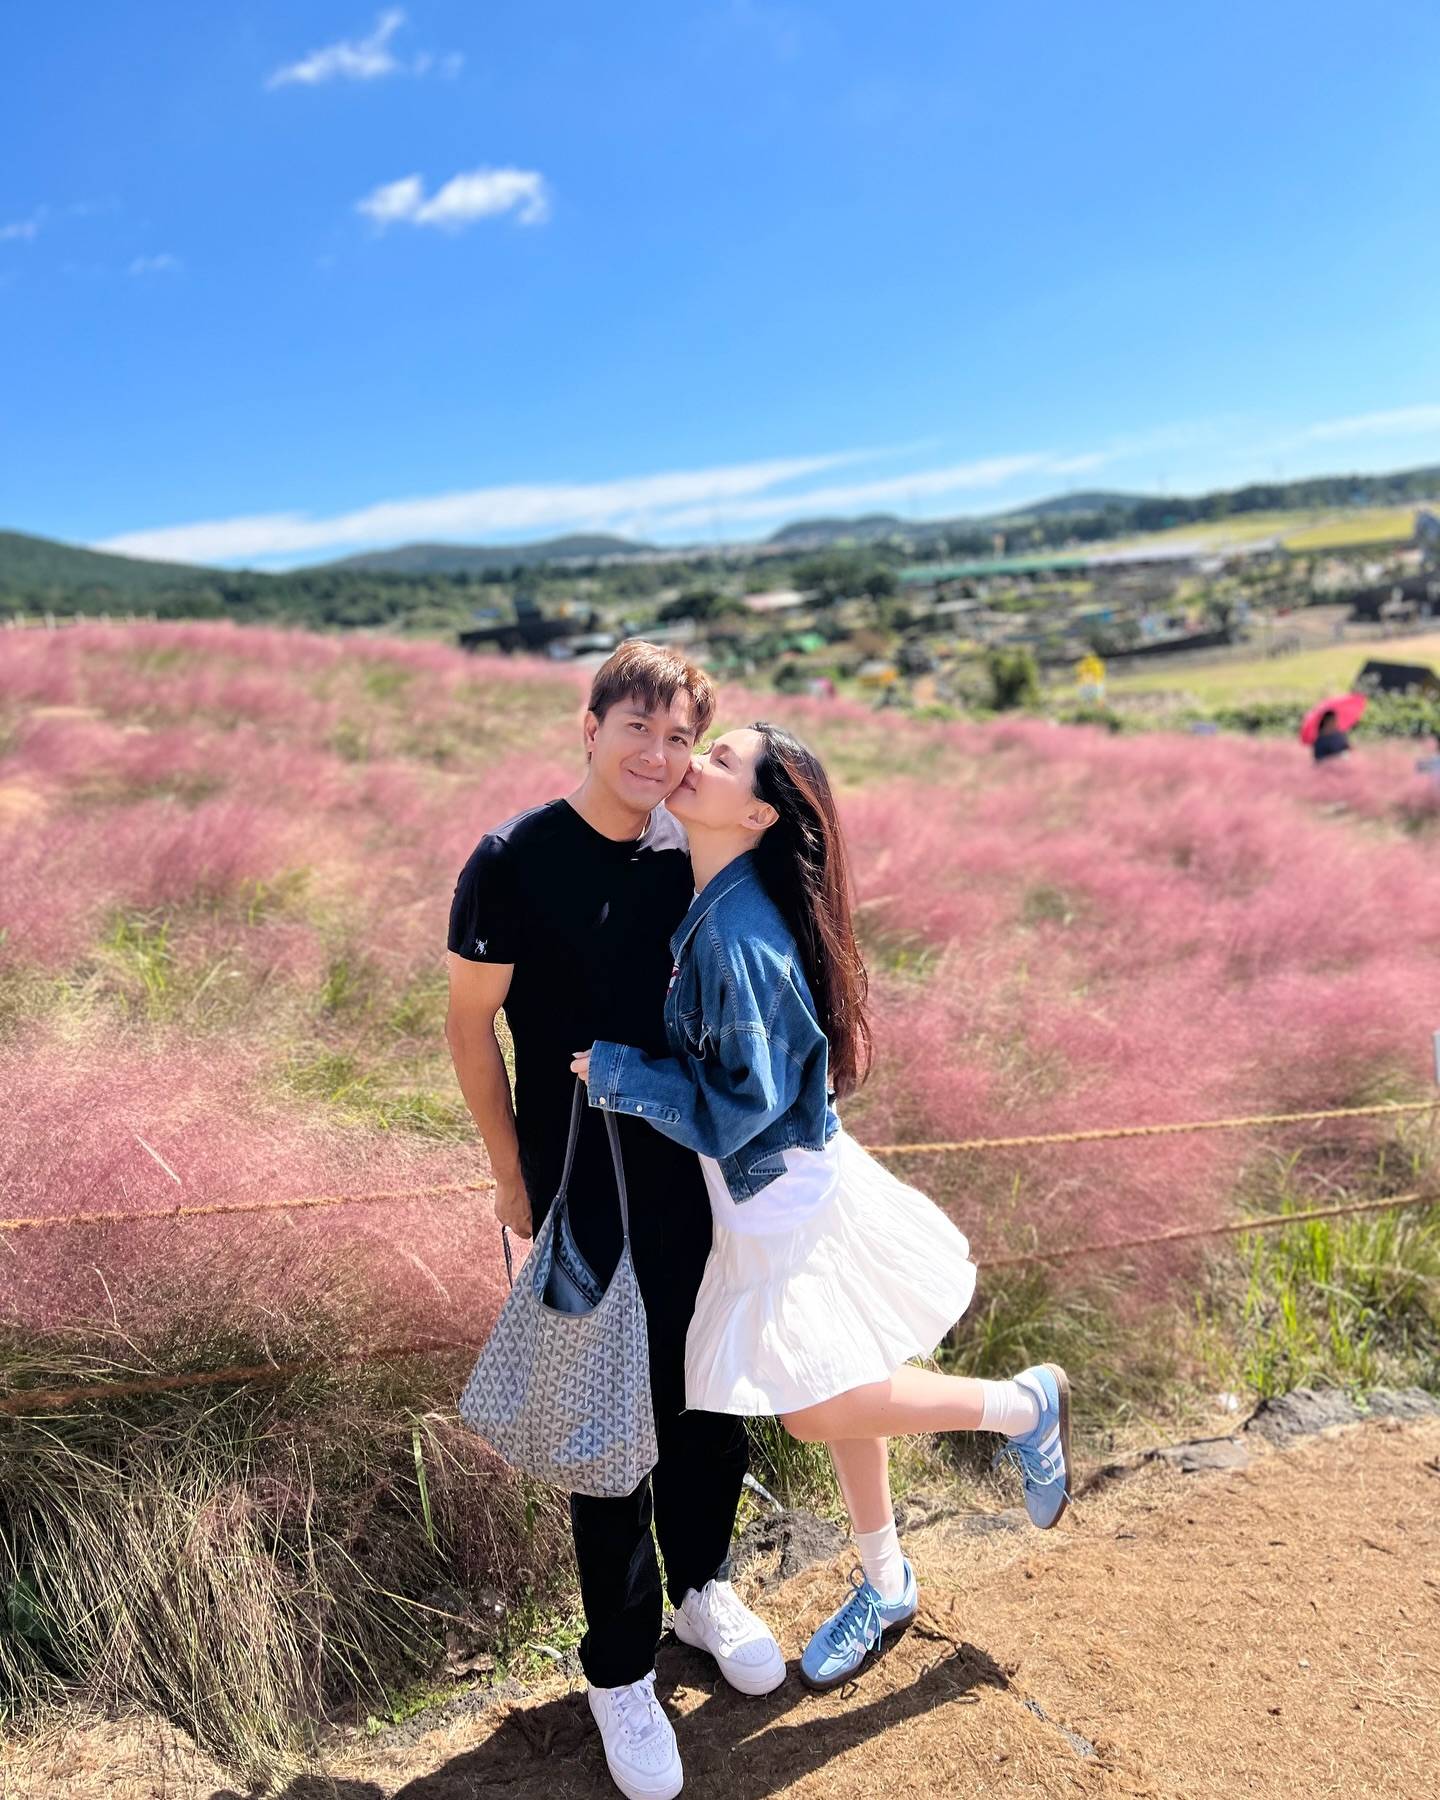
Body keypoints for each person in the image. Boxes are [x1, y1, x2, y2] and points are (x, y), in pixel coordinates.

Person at [571, 720, 1072, 1700]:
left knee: (812, 1408)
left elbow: (740, 1107)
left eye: (718, 760)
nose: (692, 762)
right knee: (847, 1379)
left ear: (759, 815)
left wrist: (622, 1074)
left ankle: (1021, 1406)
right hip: (788, 1186)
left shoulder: (740, 937)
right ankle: (887, 1584)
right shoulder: (718, 888)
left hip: (781, 1207)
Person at [446, 644, 785, 1800]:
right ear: (588, 726)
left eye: (679, 734)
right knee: (608, 1427)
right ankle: (620, 1670)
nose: (657, 752)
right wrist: (511, 1175)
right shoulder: (512, 860)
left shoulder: (691, 853)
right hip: (582, 1181)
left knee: (709, 1399)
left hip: (700, 1177)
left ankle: (704, 1588)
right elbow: (468, 1028)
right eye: (636, 725)